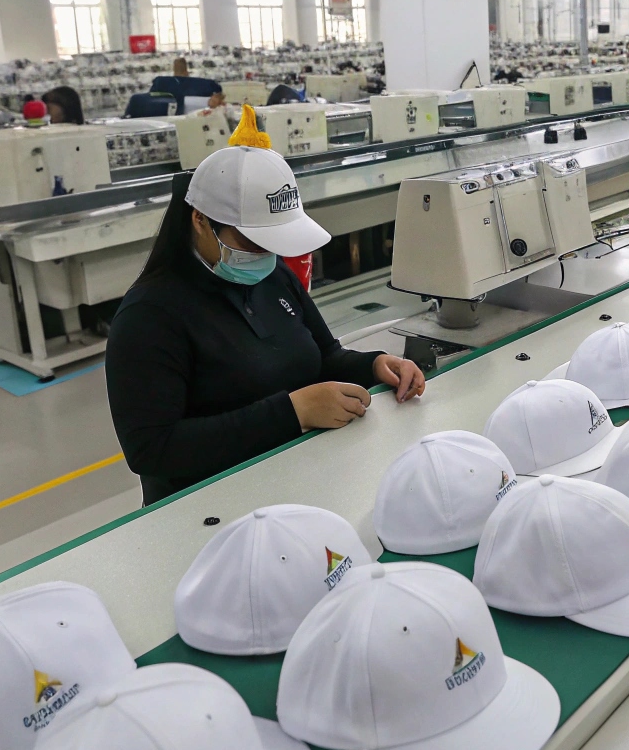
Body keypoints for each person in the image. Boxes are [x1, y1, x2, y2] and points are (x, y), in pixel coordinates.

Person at [106, 146, 425, 505]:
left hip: (295, 479)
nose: (264, 254)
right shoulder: (149, 316)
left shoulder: (273, 276)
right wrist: (293, 413)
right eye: (252, 241)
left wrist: (374, 365)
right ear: (200, 221)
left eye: (273, 241)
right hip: (210, 507)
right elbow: (152, 450)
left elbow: (323, 357)